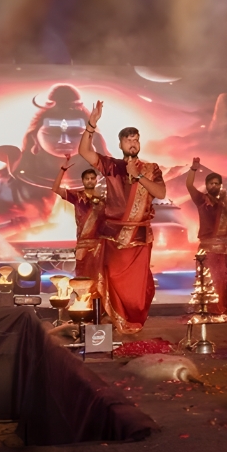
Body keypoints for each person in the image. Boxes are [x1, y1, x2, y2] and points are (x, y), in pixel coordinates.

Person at [77, 101, 166, 334]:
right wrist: (91, 125)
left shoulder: (151, 169)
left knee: (137, 288)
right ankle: (115, 320)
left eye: (136, 139)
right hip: (113, 235)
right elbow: (84, 152)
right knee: (113, 278)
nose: (133, 143)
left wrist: (139, 177)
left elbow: (160, 193)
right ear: (120, 144)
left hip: (139, 236)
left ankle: (131, 320)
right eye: (128, 140)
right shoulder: (112, 166)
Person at [186, 158, 227, 317]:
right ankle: (207, 310)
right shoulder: (201, 199)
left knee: (222, 280)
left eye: (217, 183)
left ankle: (220, 310)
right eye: (211, 183)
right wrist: (193, 169)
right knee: (206, 281)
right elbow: (189, 185)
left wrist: (224, 200)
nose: (214, 186)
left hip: (223, 249)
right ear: (206, 185)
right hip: (206, 248)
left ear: (221, 185)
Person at [52, 156, 106, 299]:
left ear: (96, 180)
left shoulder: (103, 200)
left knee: (99, 277)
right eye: (87, 178)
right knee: (82, 276)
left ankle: (98, 306)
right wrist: (62, 170)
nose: (90, 181)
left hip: (99, 246)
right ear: (83, 181)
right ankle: (82, 304)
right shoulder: (77, 196)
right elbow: (55, 189)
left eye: (92, 178)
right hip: (82, 244)